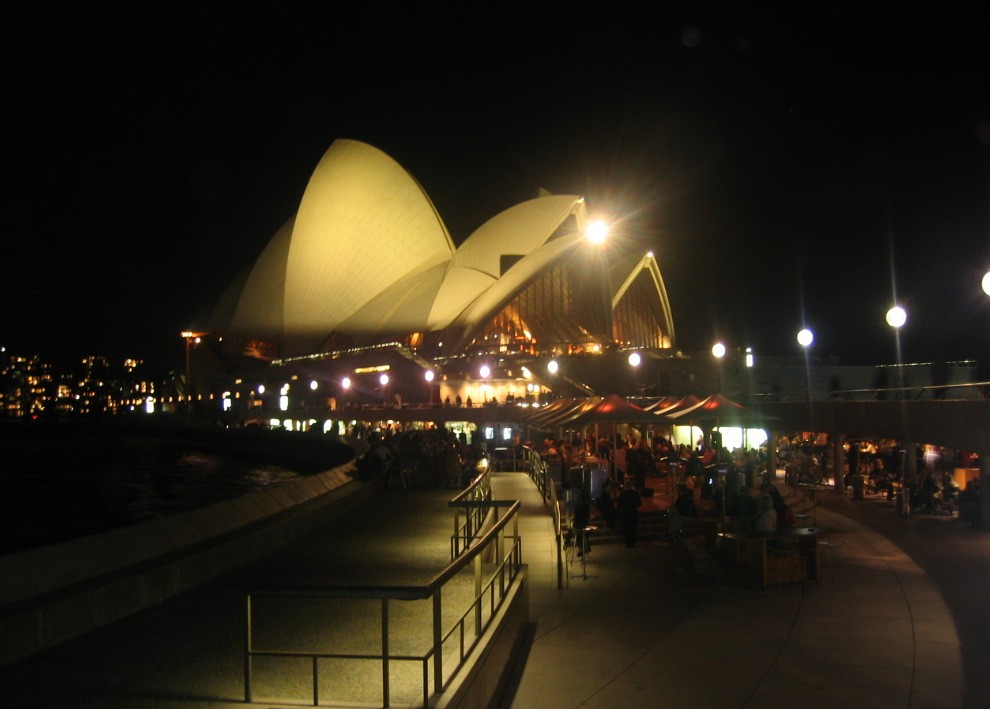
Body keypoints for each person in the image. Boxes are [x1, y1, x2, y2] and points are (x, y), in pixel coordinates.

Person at [617, 477, 643, 548]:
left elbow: (619, 505)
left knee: (626, 529)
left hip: (625, 513)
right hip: (633, 513)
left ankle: (627, 543)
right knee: (633, 529)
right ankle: (632, 543)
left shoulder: (622, 494)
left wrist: (618, 512)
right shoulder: (635, 494)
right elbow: (639, 504)